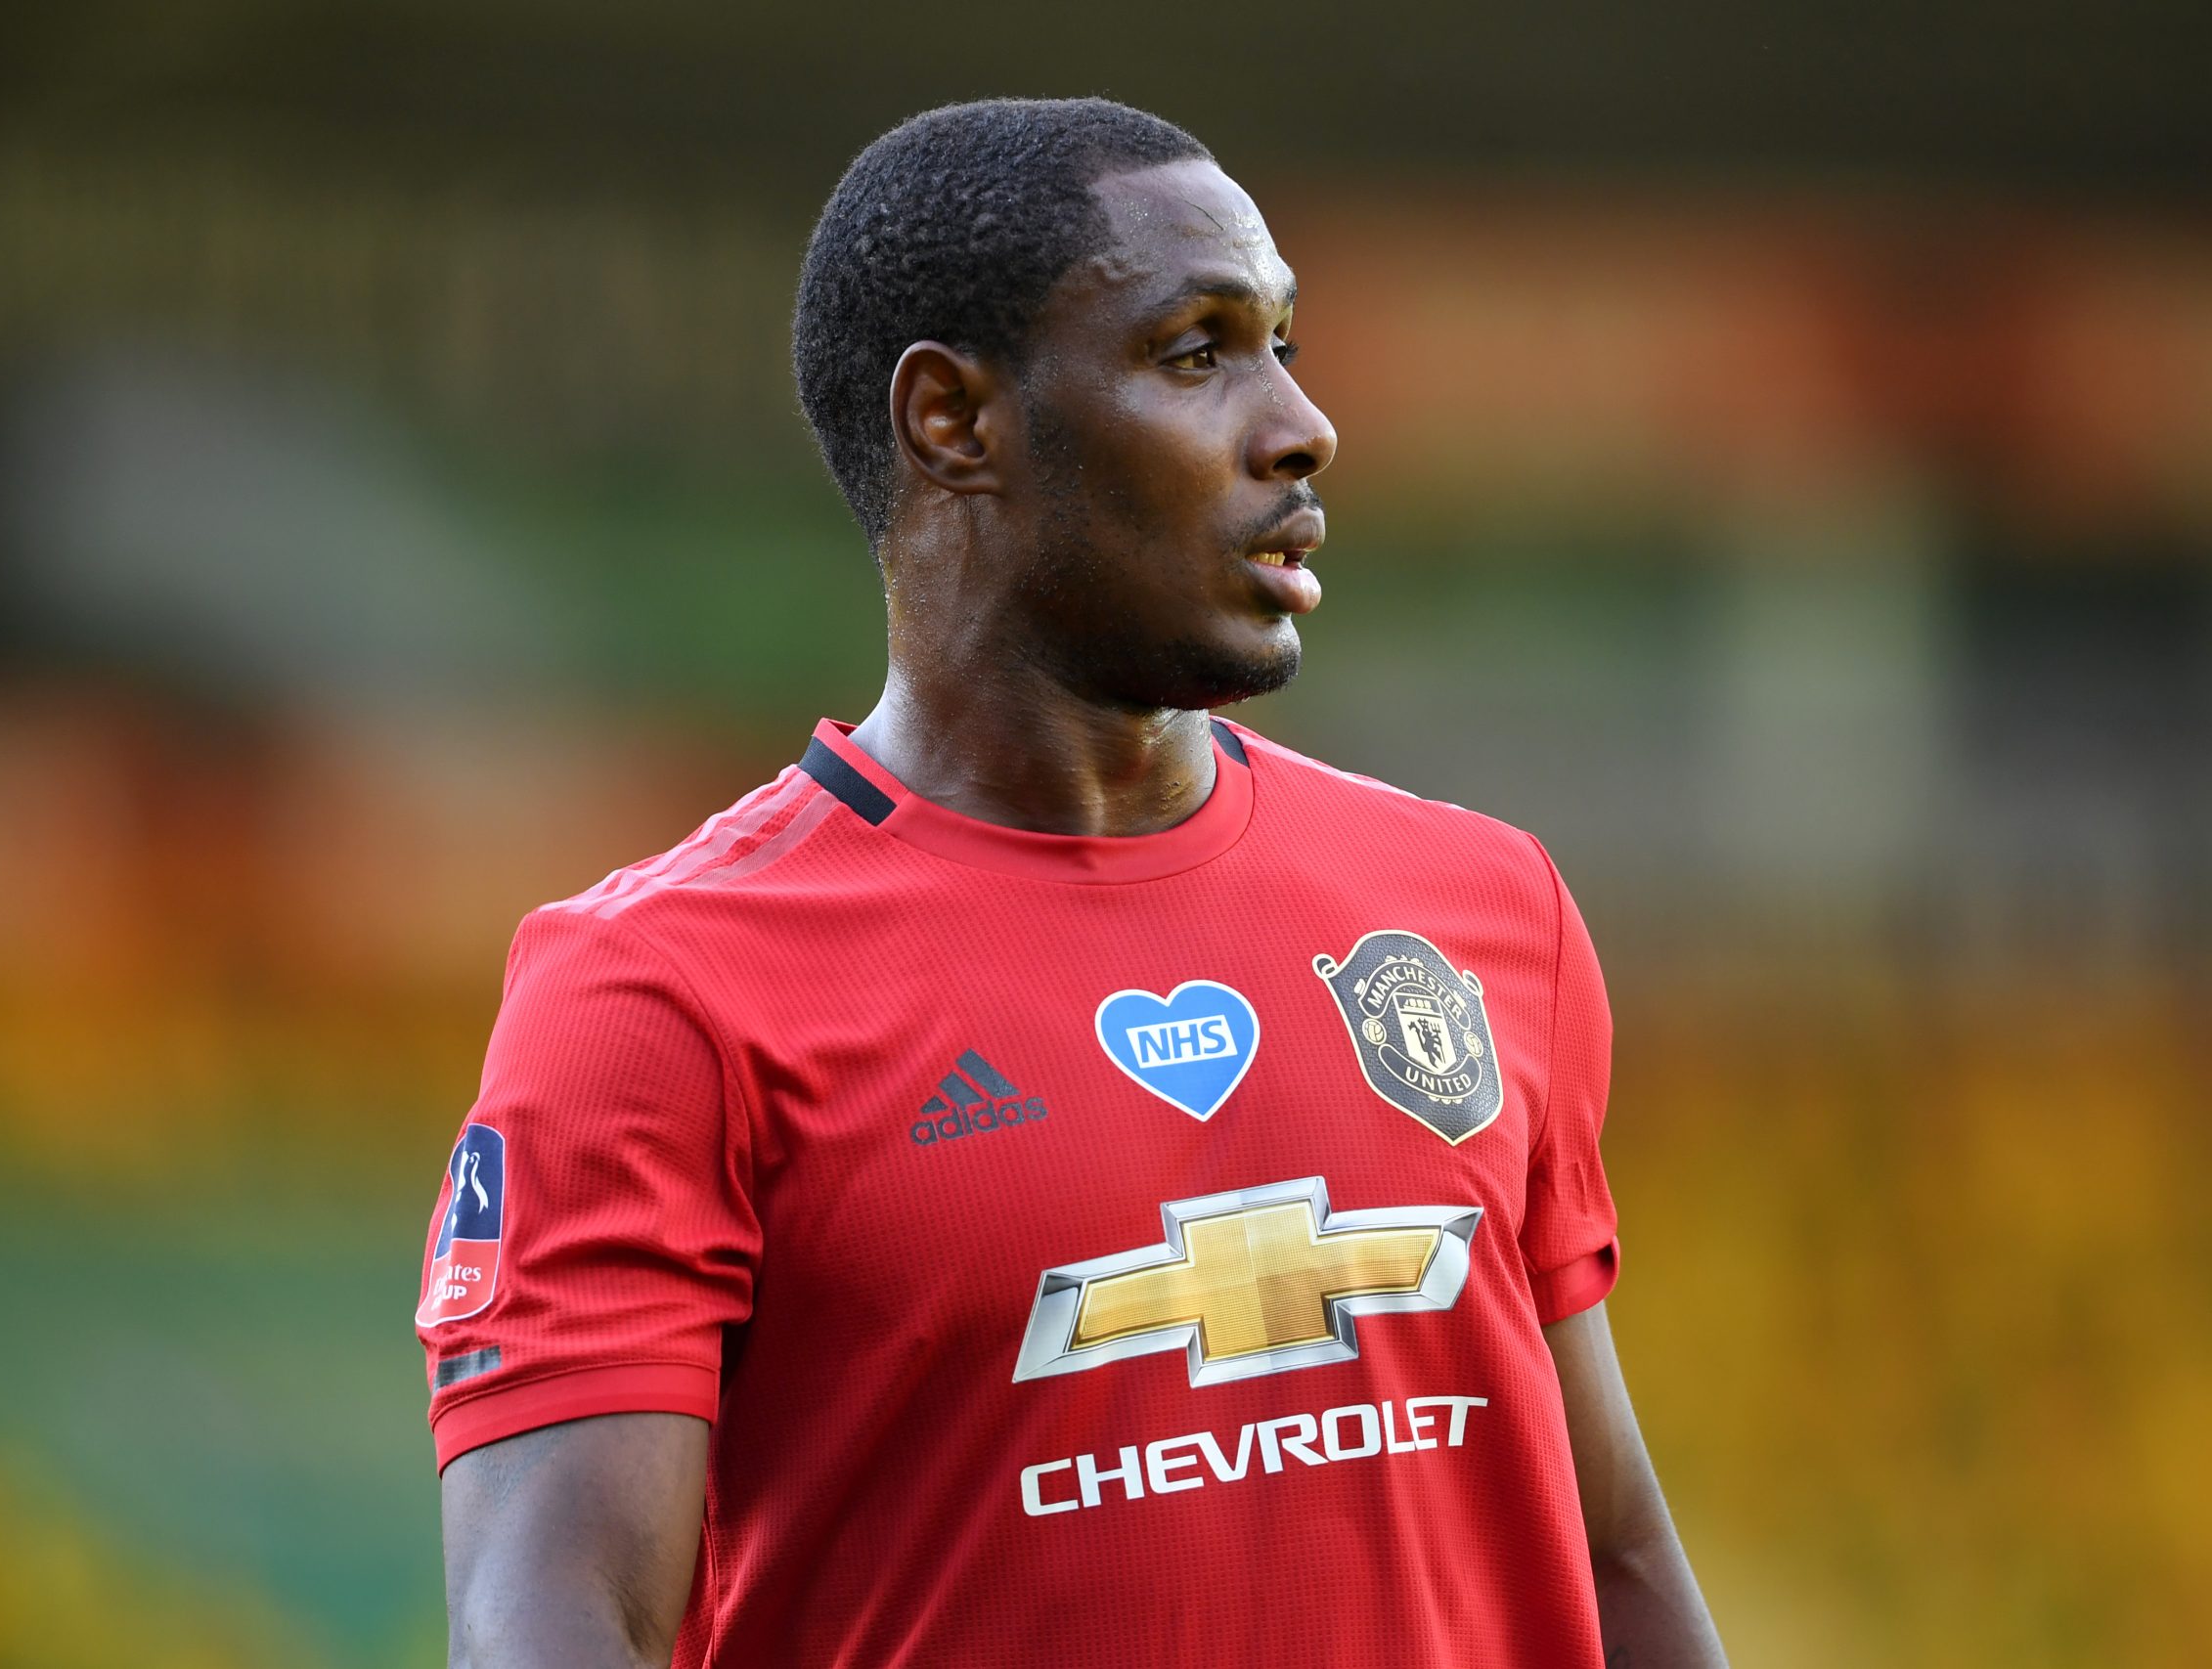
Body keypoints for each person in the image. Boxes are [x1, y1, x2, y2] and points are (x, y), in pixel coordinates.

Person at [419, 96, 1727, 1669]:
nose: (1299, 423)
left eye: (1285, 344)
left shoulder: (1475, 908)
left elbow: (1613, 1554)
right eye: (1198, 352)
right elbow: (553, 1632)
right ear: (953, 421)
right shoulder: (660, 1000)